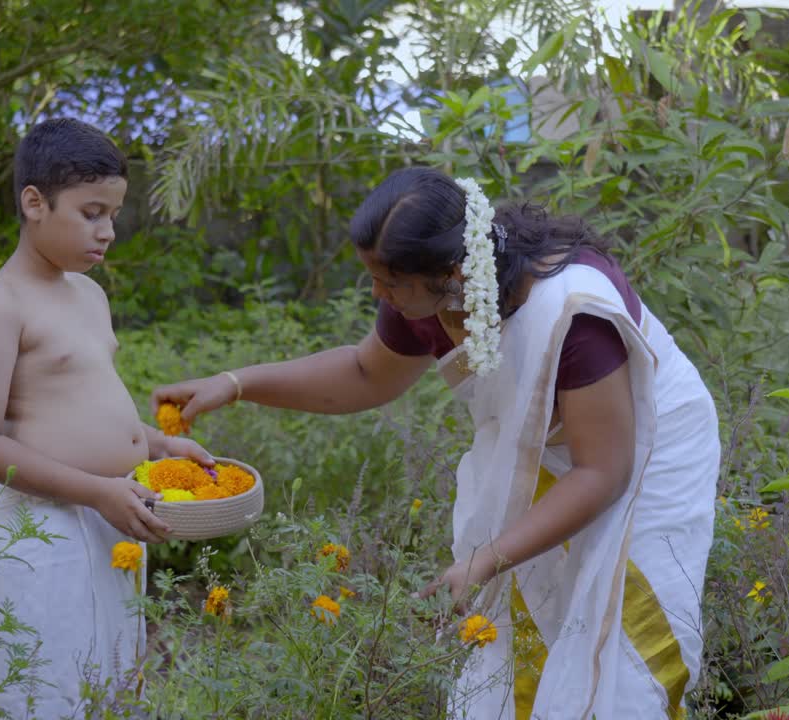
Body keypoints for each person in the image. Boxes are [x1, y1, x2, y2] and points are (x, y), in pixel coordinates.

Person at [152, 167, 719, 719]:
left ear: (453, 270)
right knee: (529, 630)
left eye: (389, 282)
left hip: (642, 456)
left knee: (622, 640)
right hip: (553, 454)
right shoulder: (431, 291)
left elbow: (603, 472)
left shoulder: (574, 312)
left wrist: (487, 558)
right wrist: (234, 384)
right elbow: (364, 374)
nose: (377, 292)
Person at [0, 117, 213, 718]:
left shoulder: (90, 295)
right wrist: (96, 491)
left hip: (111, 514)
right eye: (91, 212)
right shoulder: (0, 306)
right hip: (44, 528)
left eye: (113, 215)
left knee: (112, 680)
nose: (108, 231)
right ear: (34, 203)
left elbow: (83, 402)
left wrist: (158, 446)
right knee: (45, 686)